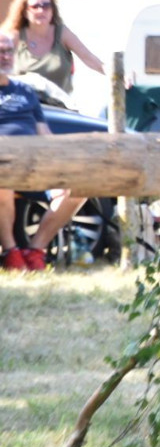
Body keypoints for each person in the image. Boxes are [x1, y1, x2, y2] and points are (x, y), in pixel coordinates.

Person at [0, 32, 87, 271]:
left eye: (9, 51)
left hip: (34, 165)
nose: (5, 56)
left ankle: (35, 249)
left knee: (78, 189)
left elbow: (44, 133)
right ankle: (11, 253)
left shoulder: (24, 91)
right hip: (2, 166)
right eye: (1, 51)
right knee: (2, 186)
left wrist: (63, 161)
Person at [1, 0, 105, 95]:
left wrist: (118, 76)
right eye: (35, 6)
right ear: (25, 11)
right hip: (23, 105)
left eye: (46, 6)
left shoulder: (63, 33)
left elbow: (91, 60)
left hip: (58, 107)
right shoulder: (13, 36)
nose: (41, 10)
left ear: (52, 10)